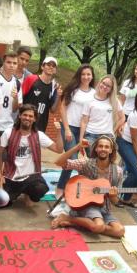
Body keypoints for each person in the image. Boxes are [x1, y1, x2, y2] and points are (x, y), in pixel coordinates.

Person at [52, 136, 125, 238]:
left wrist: (113, 196)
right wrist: (78, 147)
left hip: (105, 208)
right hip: (85, 204)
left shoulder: (118, 171)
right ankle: (69, 218)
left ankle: (77, 223)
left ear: (111, 150)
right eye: (100, 146)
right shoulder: (86, 162)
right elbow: (59, 162)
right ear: (96, 148)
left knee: (119, 231)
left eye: (106, 147)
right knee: (98, 226)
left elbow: (116, 201)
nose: (103, 149)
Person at [0, 104, 63, 204]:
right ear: (19, 116)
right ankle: (14, 195)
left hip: (30, 177)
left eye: (31, 116)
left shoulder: (39, 135)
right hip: (10, 176)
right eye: (25, 115)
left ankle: (27, 193)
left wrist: (59, 131)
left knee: (40, 189)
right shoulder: (8, 133)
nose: (27, 118)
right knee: (3, 202)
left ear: (34, 119)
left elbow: (58, 149)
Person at [55, 64, 96, 197]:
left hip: (85, 130)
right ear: (79, 75)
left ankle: (84, 188)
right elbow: (62, 108)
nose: (86, 77)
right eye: (83, 74)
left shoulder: (95, 93)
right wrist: (66, 129)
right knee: (72, 159)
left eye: (88, 74)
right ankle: (61, 188)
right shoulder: (73, 89)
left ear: (92, 76)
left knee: (89, 161)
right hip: (70, 127)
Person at [80, 75, 125, 152]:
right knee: (93, 160)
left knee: (105, 161)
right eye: (103, 83)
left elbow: (122, 118)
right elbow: (84, 121)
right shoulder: (89, 100)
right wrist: (81, 139)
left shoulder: (114, 101)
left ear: (111, 89)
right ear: (100, 82)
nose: (104, 86)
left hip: (107, 135)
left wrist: (113, 130)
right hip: (91, 135)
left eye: (108, 86)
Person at [22, 56, 62, 132]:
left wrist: (58, 96)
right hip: (25, 122)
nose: (51, 67)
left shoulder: (54, 86)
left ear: (55, 70)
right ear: (42, 67)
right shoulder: (32, 79)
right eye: (48, 65)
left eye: (53, 66)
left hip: (41, 125)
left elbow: (53, 110)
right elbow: (20, 99)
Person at [0, 52, 22, 135]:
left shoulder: (17, 83)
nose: (12, 65)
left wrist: (15, 98)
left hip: (8, 126)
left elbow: (15, 109)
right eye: (9, 62)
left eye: (15, 63)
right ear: (3, 63)